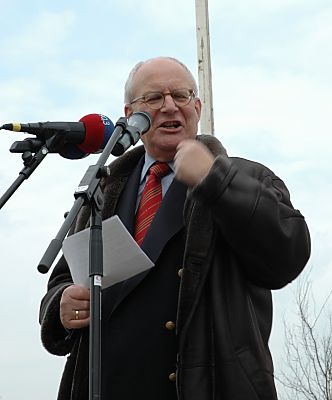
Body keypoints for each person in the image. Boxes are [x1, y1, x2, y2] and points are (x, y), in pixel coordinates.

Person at [39, 56, 311, 400]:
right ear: (129, 116)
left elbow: (287, 255)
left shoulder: (247, 178)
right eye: (153, 98)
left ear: (197, 107)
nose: (170, 106)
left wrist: (217, 180)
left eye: (181, 96)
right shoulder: (100, 191)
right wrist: (60, 305)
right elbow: (62, 280)